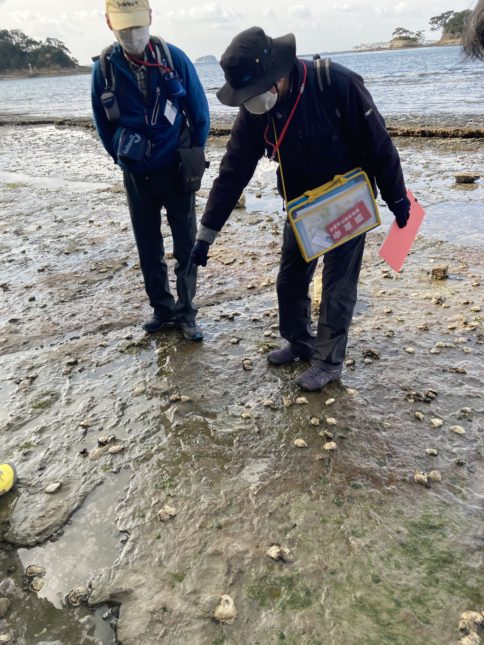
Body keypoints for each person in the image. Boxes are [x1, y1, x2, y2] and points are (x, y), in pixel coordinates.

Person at [190, 27, 410, 390]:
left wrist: (398, 199)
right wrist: (206, 234)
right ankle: (300, 341)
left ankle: (328, 362)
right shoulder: (256, 109)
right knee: (290, 279)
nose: (250, 102)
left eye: (254, 94)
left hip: (346, 201)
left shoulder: (336, 83)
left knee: (338, 286)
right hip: (303, 207)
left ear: (277, 75)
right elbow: (233, 171)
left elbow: (379, 144)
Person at [92, 0, 210, 340]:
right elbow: (103, 126)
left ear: (150, 20)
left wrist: (192, 154)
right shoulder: (105, 68)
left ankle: (187, 312)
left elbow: (199, 112)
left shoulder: (174, 58)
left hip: (175, 170)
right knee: (148, 245)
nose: (132, 35)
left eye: (137, 27)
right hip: (136, 176)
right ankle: (162, 309)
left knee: (186, 243)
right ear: (110, 24)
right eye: (124, 28)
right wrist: (122, 159)